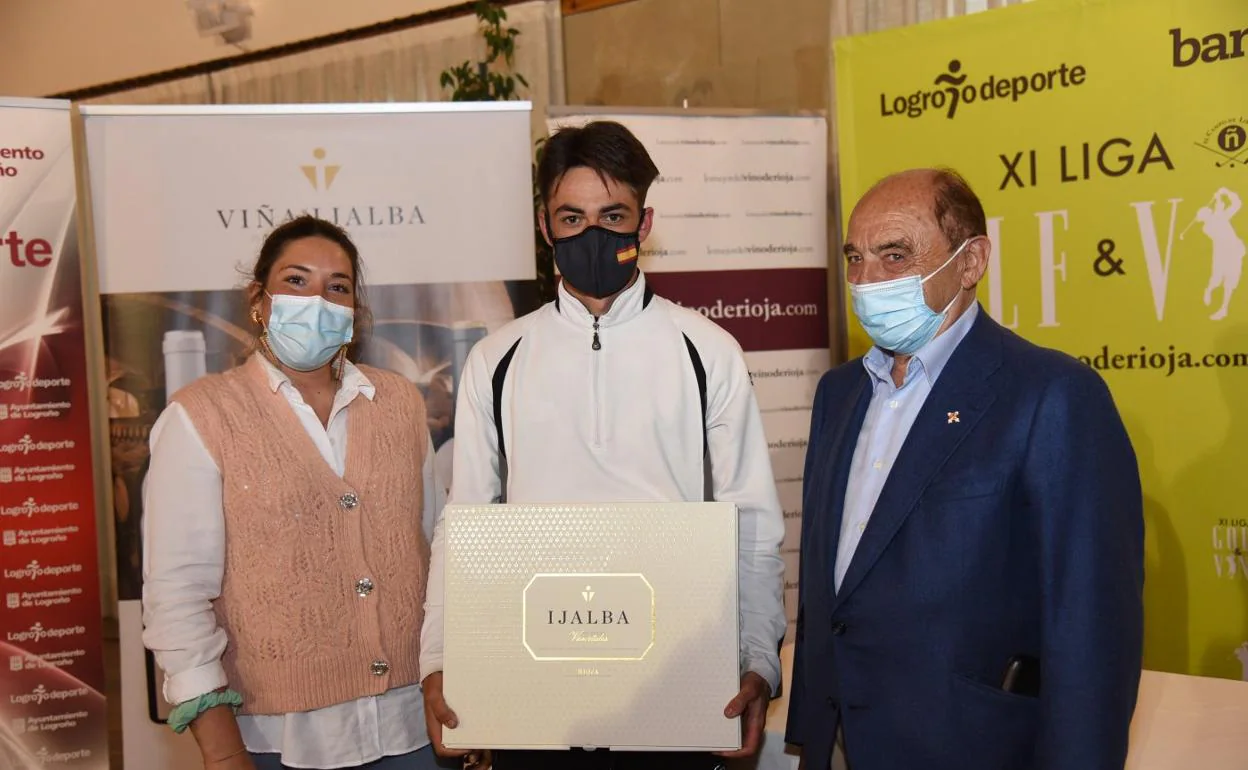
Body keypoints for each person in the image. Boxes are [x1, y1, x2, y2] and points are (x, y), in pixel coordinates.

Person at [419, 120, 786, 770]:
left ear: (644, 224)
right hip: (532, 695)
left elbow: (751, 524)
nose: (593, 234)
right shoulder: (496, 360)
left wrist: (757, 658)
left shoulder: (708, 352)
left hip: (674, 693)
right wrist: (440, 658)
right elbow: (464, 525)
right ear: (544, 225)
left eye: (612, 215)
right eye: (571, 216)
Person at [786, 169, 1144, 770]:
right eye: (855, 258)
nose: (868, 281)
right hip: (844, 741)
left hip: (972, 746)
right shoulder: (839, 394)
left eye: (894, 255)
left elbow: (1092, 628)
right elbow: (831, 586)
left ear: (971, 260)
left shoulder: (1052, 396)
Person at [142, 216, 444, 770]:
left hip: (411, 730)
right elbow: (177, 592)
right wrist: (221, 748)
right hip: (278, 741)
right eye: (297, 281)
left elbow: (436, 555)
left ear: (354, 309)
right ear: (259, 300)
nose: (319, 300)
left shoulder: (399, 403)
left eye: (338, 287)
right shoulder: (201, 415)